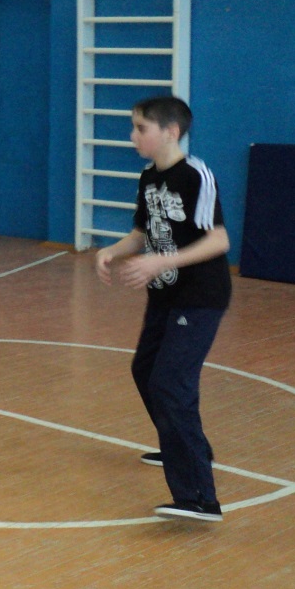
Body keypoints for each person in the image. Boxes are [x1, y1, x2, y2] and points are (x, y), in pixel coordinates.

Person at [95, 96, 231, 523]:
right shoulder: (149, 177)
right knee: (145, 370)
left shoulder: (196, 176)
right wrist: (112, 251)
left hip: (200, 296)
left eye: (141, 128)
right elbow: (142, 232)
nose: (133, 136)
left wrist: (161, 262)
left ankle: (199, 498)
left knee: (170, 384)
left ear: (170, 132)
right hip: (165, 295)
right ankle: (185, 444)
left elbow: (219, 240)